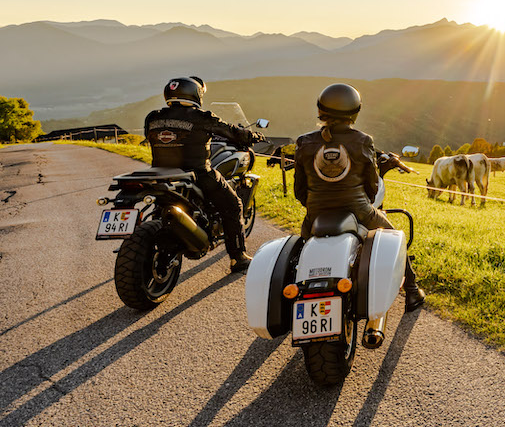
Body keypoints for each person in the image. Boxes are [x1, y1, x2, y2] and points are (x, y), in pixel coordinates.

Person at [293, 83, 425, 311]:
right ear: (354, 112)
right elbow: (373, 185)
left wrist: (314, 204)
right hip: (359, 210)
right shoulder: (363, 141)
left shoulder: (305, 142)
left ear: (321, 110)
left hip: (316, 213)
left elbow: (299, 190)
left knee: (301, 253)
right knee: (395, 237)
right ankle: (412, 291)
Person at [143, 76, 264, 273]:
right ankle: (238, 257)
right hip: (198, 174)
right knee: (234, 206)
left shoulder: (153, 117)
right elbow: (233, 132)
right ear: (195, 94)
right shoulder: (201, 117)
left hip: (162, 175)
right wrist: (252, 136)